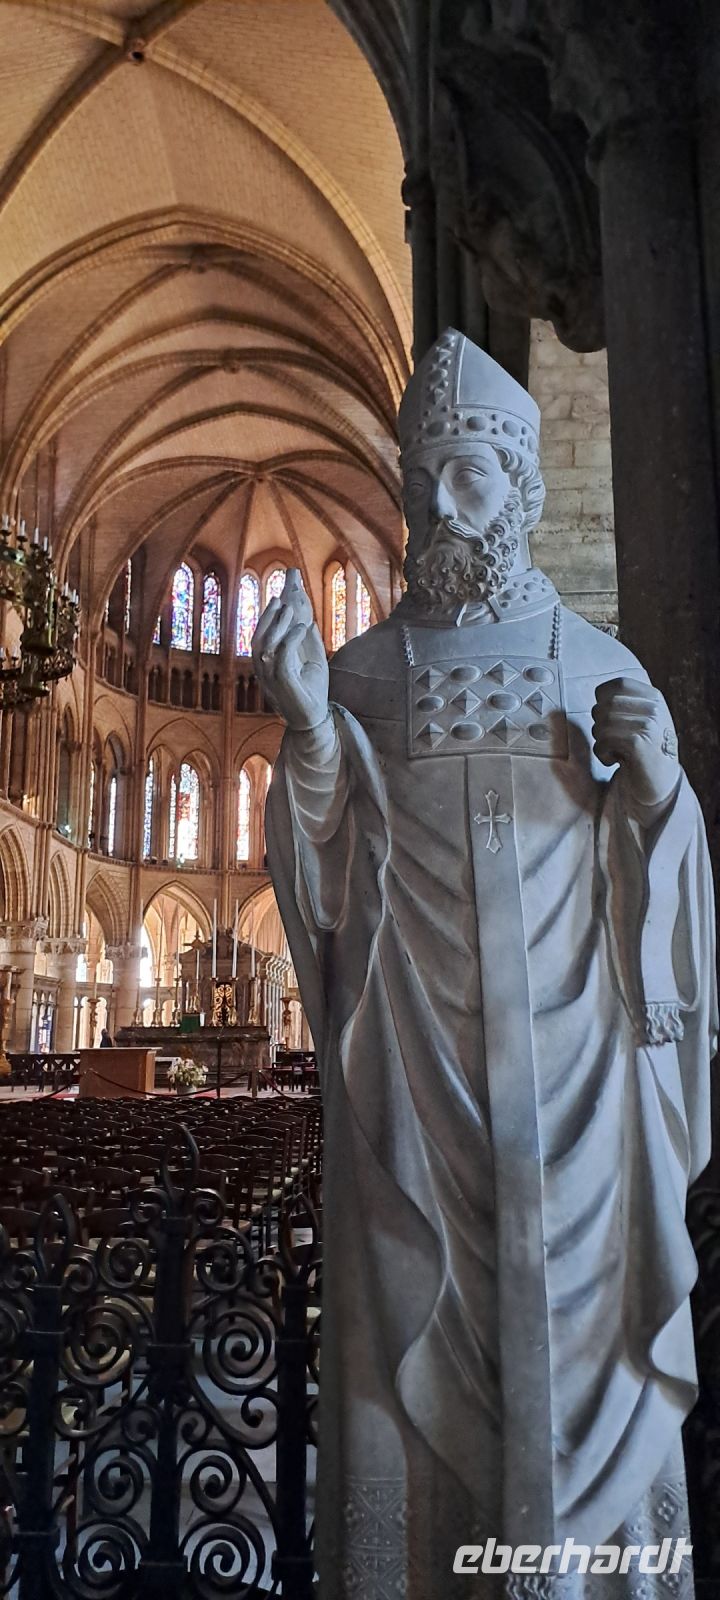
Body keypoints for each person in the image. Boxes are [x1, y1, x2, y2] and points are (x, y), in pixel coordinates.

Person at [253, 331, 716, 1599]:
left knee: (592, 1396)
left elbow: (667, 893)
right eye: (428, 483)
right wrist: (306, 734)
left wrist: (660, 790)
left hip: (585, 1112)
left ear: (524, 491)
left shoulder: (604, 669)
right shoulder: (360, 681)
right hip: (416, 1091)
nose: (448, 512)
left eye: (474, 481)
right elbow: (325, 874)